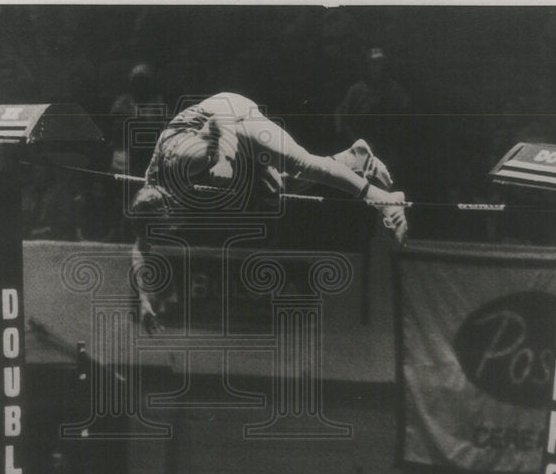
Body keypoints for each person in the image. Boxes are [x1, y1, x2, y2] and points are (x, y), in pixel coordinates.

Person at [129, 92, 408, 334]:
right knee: (275, 191)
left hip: (231, 115)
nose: (176, 228)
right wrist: (144, 300)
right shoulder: (152, 193)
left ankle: (383, 200)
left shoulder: (186, 162)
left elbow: (221, 124)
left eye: (171, 226)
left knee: (299, 163)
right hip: (215, 132)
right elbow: (140, 247)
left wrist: (224, 162)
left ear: (168, 208)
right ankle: (353, 158)